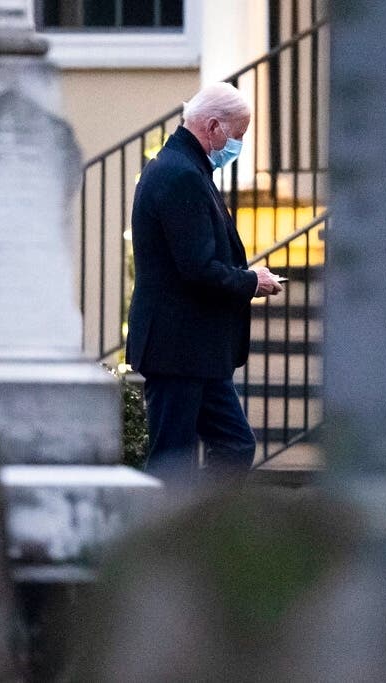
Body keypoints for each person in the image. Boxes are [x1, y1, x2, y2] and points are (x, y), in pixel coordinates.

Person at [126, 82, 283, 486]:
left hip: (194, 350)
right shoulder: (181, 175)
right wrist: (252, 281)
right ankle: (165, 542)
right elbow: (197, 268)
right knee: (173, 463)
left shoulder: (184, 168)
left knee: (233, 446)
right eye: (239, 135)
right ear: (214, 126)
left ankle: (198, 533)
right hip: (179, 349)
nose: (238, 145)